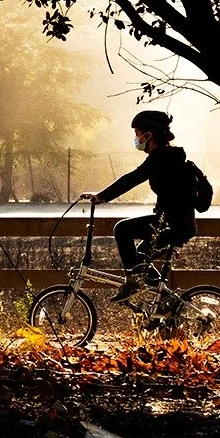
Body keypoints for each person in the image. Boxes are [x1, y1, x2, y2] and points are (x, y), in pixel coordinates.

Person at [83, 110, 197, 303]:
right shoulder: (169, 156)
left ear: (148, 135)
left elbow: (132, 179)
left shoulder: (161, 157)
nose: (136, 138)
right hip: (176, 223)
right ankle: (167, 304)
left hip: (174, 224)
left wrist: (101, 196)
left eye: (137, 133)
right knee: (141, 258)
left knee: (122, 229)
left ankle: (133, 282)